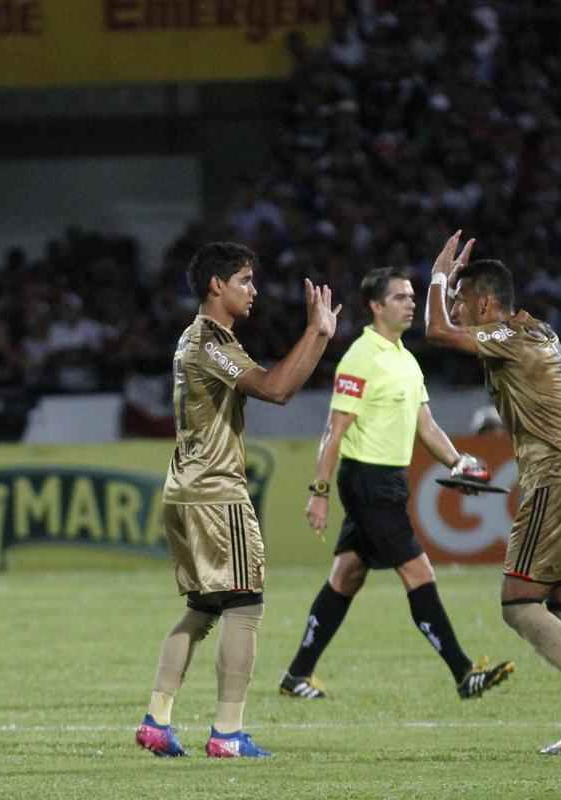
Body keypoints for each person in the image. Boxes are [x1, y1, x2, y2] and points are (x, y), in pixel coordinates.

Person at [134, 242, 341, 759]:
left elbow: (278, 386)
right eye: (245, 280)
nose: (254, 290)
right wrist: (314, 333)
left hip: (184, 487)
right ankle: (228, 733)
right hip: (214, 491)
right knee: (245, 603)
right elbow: (275, 389)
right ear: (216, 285)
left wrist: (320, 337)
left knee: (203, 607)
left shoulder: (194, 339)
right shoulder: (210, 342)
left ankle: (158, 720)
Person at [424, 231, 561, 756]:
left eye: (464, 302)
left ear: (486, 302)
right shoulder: (538, 331)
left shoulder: (507, 338)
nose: (458, 311)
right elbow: (455, 326)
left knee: (518, 604)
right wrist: (452, 288)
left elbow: (436, 331)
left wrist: (438, 275)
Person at [278, 267, 514, 703]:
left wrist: (458, 459)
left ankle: (296, 675)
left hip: (387, 480)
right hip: (367, 480)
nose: (410, 303)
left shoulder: (405, 359)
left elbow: (426, 424)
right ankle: (464, 674)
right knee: (418, 571)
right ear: (376, 306)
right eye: (401, 297)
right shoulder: (360, 358)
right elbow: (335, 429)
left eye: (411, 296)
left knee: (346, 576)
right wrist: (319, 492)